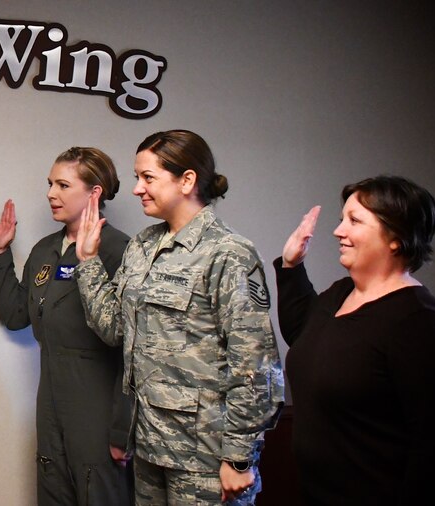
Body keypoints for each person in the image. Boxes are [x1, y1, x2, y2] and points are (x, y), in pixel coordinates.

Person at [74, 130, 284, 505]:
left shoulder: (228, 253)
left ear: (187, 180)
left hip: (205, 456)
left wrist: (238, 458)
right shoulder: (142, 246)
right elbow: (113, 329)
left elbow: (256, 366)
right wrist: (88, 262)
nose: (137, 188)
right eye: (137, 177)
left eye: (148, 177)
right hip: (150, 450)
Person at [275, 175, 435, 505]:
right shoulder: (341, 293)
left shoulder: (421, 324)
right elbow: (302, 334)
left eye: (354, 221)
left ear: (396, 237)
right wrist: (291, 265)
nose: (339, 231)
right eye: (342, 220)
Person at [0, 147, 134, 505]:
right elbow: (18, 314)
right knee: (54, 491)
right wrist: (0, 256)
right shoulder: (45, 250)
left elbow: (136, 348)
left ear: (94, 193)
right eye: (50, 184)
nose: (51, 193)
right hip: (51, 399)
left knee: (99, 493)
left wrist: (122, 428)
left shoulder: (120, 251)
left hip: (97, 405)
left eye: (63, 185)